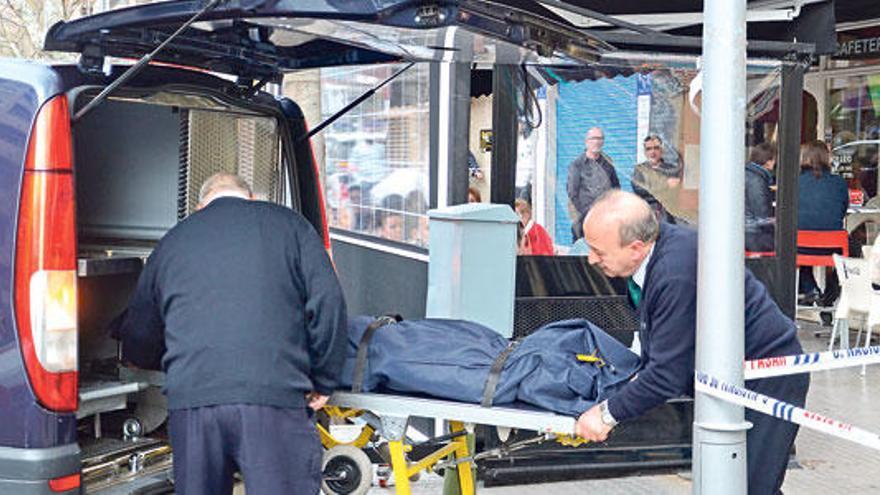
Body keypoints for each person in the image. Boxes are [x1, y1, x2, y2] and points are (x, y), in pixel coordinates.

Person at [115, 173, 347, 494]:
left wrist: (140, 359)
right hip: (273, 396)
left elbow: (141, 327)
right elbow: (329, 304)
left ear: (199, 207)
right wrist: (324, 378)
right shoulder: (291, 226)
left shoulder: (173, 240)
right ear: (251, 199)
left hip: (194, 401)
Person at [575, 190, 809, 495]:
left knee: (749, 485)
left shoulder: (675, 274)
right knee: (739, 482)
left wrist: (606, 414)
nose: (591, 259)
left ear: (636, 247)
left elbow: (666, 375)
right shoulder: (657, 253)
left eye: (599, 251)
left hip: (768, 378)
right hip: (728, 378)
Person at [797, 140, 848, 306]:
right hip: (833, 247)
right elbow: (842, 211)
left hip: (799, 247)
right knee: (854, 249)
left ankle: (810, 288)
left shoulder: (794, 183)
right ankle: (830, 295)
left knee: (801, 239)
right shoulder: (839, 182)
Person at [567, 126, 620, 241]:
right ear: (587, 141)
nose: (597, 142)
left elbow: (616, 188)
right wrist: (587, 213)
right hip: (585, 219)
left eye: (600, 139)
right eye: (593, 138)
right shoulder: (577, 165)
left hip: (606, 219)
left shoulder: (608, 163)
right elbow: (572, 193)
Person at [630, 134, 681, 222]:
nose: (652, 152)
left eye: (656, 148)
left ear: (662, 150)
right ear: (645, 152)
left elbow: (675, 192)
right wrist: (666, 184)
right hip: (647, 215)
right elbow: (640, 190)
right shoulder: (639, 170)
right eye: (649, 149)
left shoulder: (672, 169)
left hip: (668, 216)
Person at [745, 142, 777, 253]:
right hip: (753, 235)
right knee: (788, 244)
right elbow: (761, 217)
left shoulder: (748, 174)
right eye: (774, 160)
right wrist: (776, 221)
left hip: (745, 233)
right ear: (768, 162)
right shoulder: (756, 181)